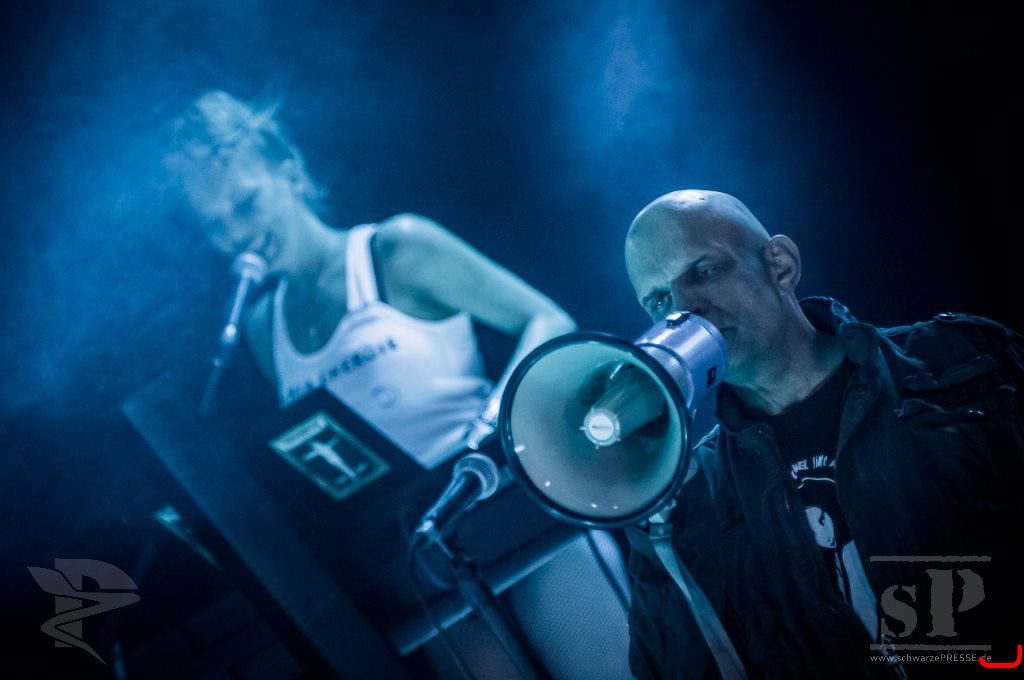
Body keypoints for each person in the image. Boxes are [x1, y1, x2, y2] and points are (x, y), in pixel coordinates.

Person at [162, 89, 634, 679]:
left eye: (246, 204)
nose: (237, 233)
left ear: (289, 170)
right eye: (216, 225)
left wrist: (490, 428)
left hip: (509, 499)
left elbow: (547, 320)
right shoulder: (263, 327)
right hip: (418, 554)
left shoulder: (395, 247)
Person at [621, 189, 1024, 679]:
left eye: (703, 271)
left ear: (780, 266)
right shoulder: (691, 492)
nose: (684, 310)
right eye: (659, 300)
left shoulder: (963, 357)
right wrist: (649, 512)